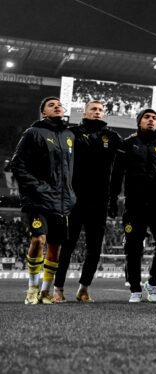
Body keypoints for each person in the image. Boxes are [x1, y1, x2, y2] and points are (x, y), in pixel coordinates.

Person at [53, 100, 122, 303]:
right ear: (84, 113)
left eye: (100, 110)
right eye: (93, 109)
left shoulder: (112, 137)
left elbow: (130, 153)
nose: (97, 112)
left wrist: (113, 199)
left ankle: (83, 288)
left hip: (99, 200)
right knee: (67, 244)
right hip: (74, 198)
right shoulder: (71, 133)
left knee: (95, 247)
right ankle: (58, 288)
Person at [11, 97, 76, 304]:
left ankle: (46, 291)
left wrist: (71, 193)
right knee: (38, 240)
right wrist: (38, 187)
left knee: (55, 246)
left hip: (61, 201)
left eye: (59, 105)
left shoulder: (69, 135)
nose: (57, 106)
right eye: (51, 105)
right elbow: (17, 164)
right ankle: (32, 288)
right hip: (38, 199)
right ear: (43, 113)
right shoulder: (33, 133)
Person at [110, 108, 156, 303]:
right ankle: (135, 289)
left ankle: (152, 283)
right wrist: (112, 200)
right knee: (133, 247)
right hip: (134, 205)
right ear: (139, 122)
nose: (151, 120)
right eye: (147, 117)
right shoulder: (127, 144)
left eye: (154, 118)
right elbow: (116, 175)